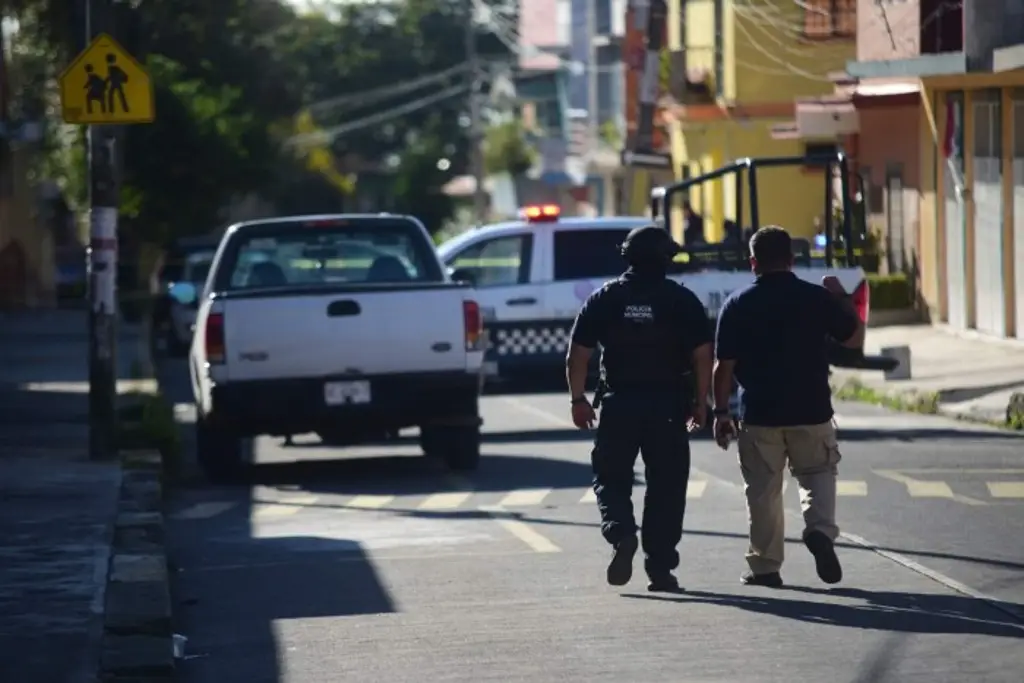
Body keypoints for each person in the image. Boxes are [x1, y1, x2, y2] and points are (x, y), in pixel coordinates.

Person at [711, 225, 865, 588]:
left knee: (763, 491)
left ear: (753, 263)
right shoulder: (816, 298)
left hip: (760, 413)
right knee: (818, 474)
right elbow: (854, 339)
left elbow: (724, 366)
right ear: (792, 260)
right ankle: (820, 532)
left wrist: (720, 413)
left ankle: (765, 567)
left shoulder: (738, 304)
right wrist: (842, 299)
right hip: (812, 409)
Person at [565, 225, 714, 592]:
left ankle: (621, 535)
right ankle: (660, 570)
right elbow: (702, 356)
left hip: (619, 405)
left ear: (626, 256)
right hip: (668, 406)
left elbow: (577, 355)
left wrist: (578, 399)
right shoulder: (682, 300)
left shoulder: (605, 298)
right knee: (666, 486)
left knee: (611, 477)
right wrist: (702, 402)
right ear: (667, 258)